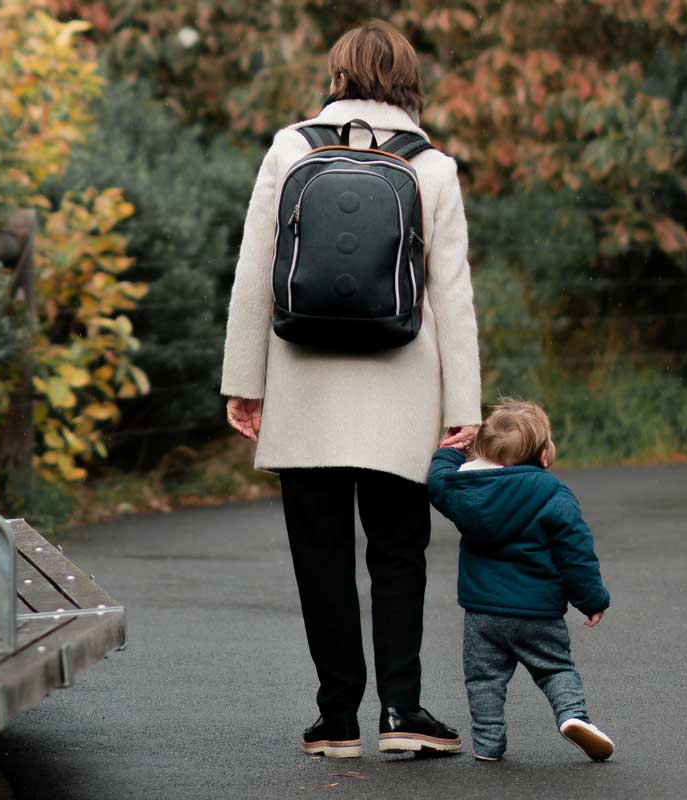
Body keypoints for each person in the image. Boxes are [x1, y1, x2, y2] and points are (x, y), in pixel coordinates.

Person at [220, 19, 482, 758]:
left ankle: (336, 720)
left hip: (302, 382)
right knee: (399, 552)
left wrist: (245, 382)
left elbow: (253, 273)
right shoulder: (434, 167)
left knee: (320, 553)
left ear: (337, 75)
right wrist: (462, 406)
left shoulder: (289, 148)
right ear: (408, 80)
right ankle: (402, 714)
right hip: (403, 388)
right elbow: (451, 295)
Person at [426, 400, 615, 763]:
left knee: (483, 681)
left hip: (482, 614)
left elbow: (438, 483)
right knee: (555, 669)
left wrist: (447, 453)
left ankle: (488, 744)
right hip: (538, 612)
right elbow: (575, 554)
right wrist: (592, 599)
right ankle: (573, 716)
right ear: (543, 455)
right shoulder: (553, 494)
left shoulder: (466, 491)